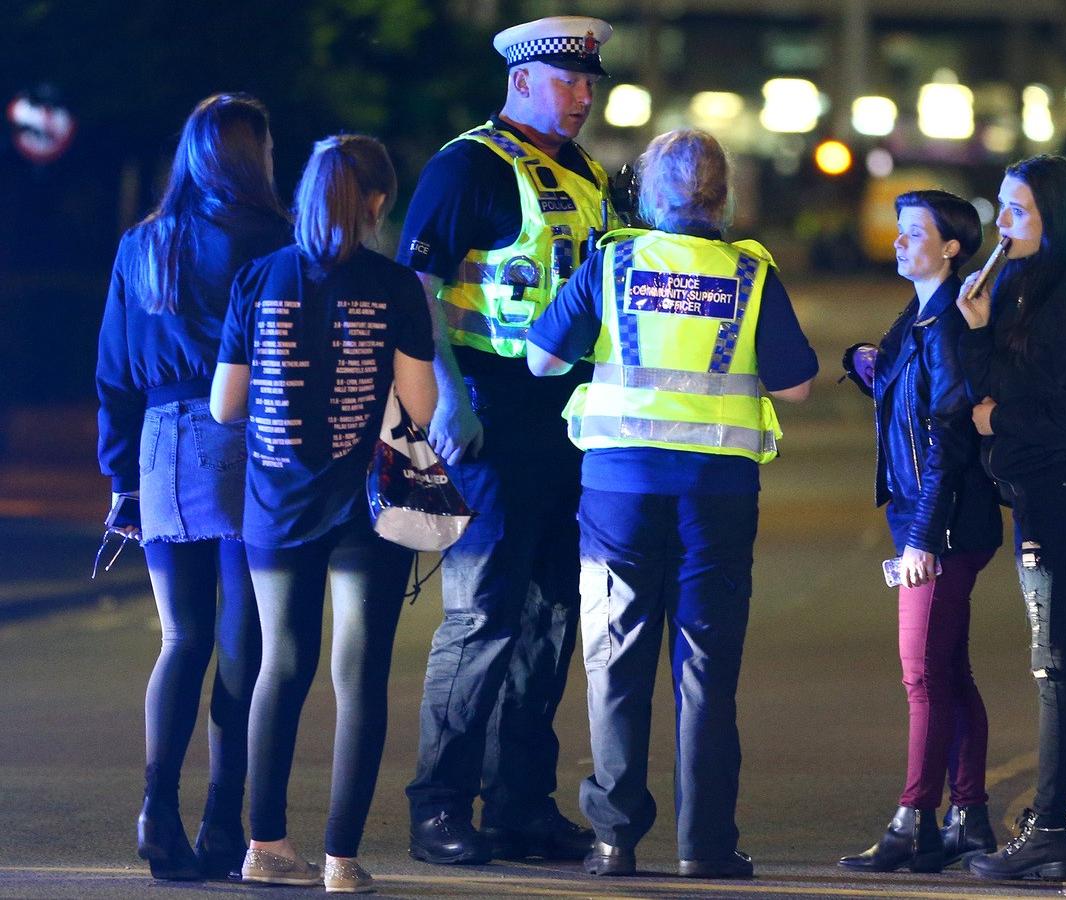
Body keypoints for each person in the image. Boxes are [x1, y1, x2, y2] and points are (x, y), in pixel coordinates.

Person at [526, 128, 817, 879]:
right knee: (707, 667)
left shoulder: (616, 261)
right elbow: (796, 385)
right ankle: (705, 846)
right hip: (718, 493)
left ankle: (614, 840)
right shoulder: (751, 274)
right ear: (723, 198)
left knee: (616, 660)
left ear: (650, 193)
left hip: (620, 491)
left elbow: (542, 356)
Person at [396, 15, 614, 865]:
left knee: (553, 615)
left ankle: (522, 803)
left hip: (570, 420)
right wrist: (446, 397)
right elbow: (419, 285)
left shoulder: (590, 175)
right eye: (570, 82)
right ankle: (439, 804)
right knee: (481, 615)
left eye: (591, 83)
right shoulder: (466, 167)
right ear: (523, 80)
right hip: (489, 413)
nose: (584, 96)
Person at [211, 135, 438, 893]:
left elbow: (225, 404)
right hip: (364, 508)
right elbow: (421, 405)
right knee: (359, 676)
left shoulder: (258, 277)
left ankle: (266, 847)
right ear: (376, 202)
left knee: (280, 666)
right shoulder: (394, 283)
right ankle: (342, 859)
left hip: (275, 503)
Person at [94, 92, 289, 881]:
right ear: (255, 156)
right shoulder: (276, 240)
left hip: (162, 442)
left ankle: (155, 808)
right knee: (245, 643)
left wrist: (121, 480)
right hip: (251, 439)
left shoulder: (143, 244)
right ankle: (220, 825)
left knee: (181, 638)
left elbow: (111, 371)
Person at [953, 155, 1066, 882]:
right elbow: (981, 389)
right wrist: (977, 329)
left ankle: (1052, 826)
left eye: (1016, 211)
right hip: (1034, 486)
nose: (1002, 224)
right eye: (1000, 208)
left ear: (1051, 216)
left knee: (1053, 661)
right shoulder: (1016, 289)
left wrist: (1002, 418)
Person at [837, 191, 1002, 873]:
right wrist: (866, 364)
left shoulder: (949, 326)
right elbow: (912, 399)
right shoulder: (921, 316)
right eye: (900, 232)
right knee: (949, 672)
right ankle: (967, 817)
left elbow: (949, 440)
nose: (900, 243)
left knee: (922, 676)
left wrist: (922, 539)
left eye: (914, 233)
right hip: (929, 516)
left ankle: (915, 820)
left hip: (944, 522)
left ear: (952, 247)